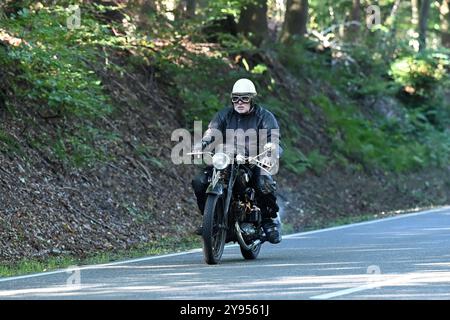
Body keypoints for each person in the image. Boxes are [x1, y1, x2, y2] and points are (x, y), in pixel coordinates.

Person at [191, 78, 282, 244]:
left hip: (252, 161)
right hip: (226, 159)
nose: (240, 102)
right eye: (236, 98)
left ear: (252, 99)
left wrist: (270, 153)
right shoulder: (224, 115)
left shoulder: (264, 116)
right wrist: (201, 144)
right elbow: (212, 132)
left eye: (244, 98)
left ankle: (269, 220)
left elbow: (273, 138)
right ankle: (210, 219)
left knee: (264, 183)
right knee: (200, 181)